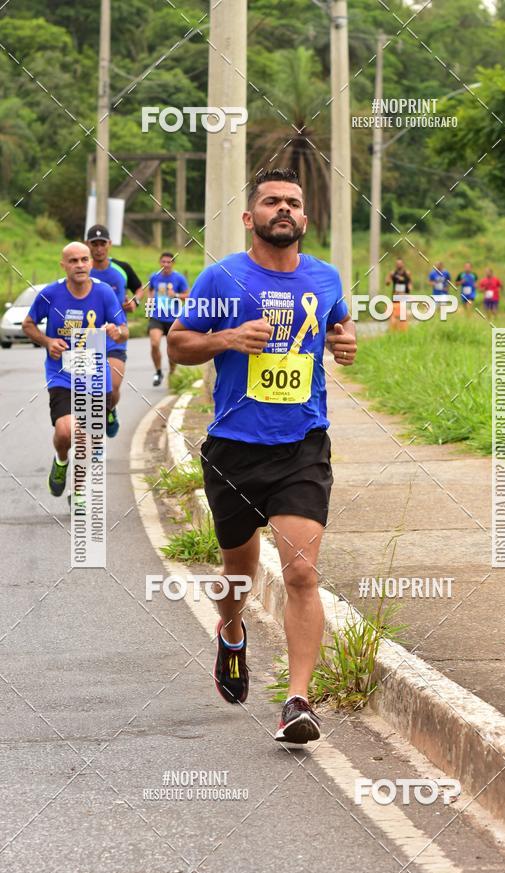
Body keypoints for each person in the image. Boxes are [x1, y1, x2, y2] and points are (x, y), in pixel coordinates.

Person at [168, 168, 357, 745]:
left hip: (301, 445)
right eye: (271, 201)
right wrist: (226, 339)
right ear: (250, 218)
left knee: (301, 571)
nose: (284, 209)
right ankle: (230, 631)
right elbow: (179, 342)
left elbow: (339, 328)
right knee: (238, 573)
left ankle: (298, 700)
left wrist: (346, 342)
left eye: (293, 203)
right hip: (233, 448)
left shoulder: (324, 278)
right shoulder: (222, 276)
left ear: (304, 218)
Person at [22, 242, 128, 499]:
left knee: (84, 435)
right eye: (73, 261)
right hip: (61, 372)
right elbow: (28, 324)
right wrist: (47, 342)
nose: (80, 265)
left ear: (91, 262)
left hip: (93, 372)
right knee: (66, 431)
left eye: (84, 259)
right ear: (63, 265)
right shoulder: (51, 293)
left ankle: (78, 489)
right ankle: (60, 461)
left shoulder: (104, 293)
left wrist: (117, 331)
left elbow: (124, 330)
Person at [86, 225, 132, 437]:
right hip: (86, 340)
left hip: (115, 336)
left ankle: (110, 409)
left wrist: (135, 301)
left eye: (102, 243)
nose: (98, 248)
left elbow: (138, 288)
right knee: (88, 398)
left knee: (111, 390)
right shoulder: (81, 272)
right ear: (88, 246)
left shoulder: (120, 270)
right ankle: (93, 441)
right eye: (94, 244)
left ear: (109, 245)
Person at [147, 252, 189, 386]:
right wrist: (150, 305)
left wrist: (175, 295)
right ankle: (158, 372)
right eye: (163, 262)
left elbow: (188, 296)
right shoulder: (154, 277)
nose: (166, 264)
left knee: (172, 349)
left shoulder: (179, 278)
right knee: (154, 343)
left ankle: (172, 372)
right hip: (157, 316)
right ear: (160, 263)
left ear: (173, 263)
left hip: (173, 318)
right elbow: (151, 291)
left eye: (169, 262)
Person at [385, 258, 412, 332]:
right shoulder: (393, 273)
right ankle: (393, 329)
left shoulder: (407, 273)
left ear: (403, 264)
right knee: (394, 315)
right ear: (396, 265)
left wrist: (408, 290)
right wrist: (388, 278)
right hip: (395, 297)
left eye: (400, 263)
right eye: (397, 263)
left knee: (403, 315)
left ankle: (404, 329)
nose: (399, 265)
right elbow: (387, 283)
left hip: (404, 296)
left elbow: (410, 283)